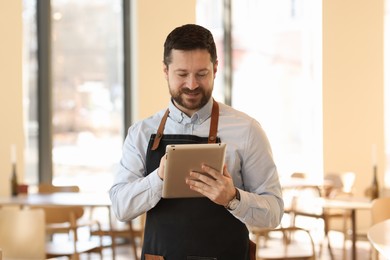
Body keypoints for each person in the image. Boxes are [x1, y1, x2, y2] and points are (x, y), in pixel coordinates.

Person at [109, 24, 284, 260]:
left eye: (202, 74)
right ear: (165, 70)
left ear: (215, 68)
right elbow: (121, 208)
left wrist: (233, 198)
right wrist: (159, 179)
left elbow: (273, 213)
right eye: (182, 74)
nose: (192, 84)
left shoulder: (248, 131)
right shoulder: (141, 133)